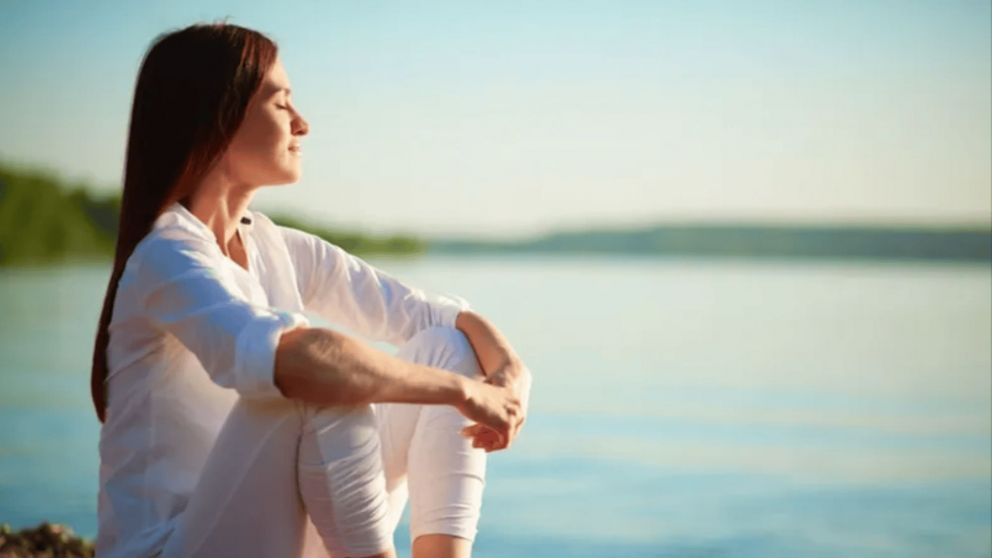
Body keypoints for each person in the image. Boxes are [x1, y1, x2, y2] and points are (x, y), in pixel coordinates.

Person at [90, 22, 532, 558]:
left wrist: (509, 372)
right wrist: (460, 392)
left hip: (273, 536)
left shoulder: (278, 247)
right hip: (175, 547)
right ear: (218, 120)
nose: (303, 123)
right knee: (316, 379)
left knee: (447, 348)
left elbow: (439, 319)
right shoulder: (168, 255)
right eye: (282, 104)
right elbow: (296, 360)